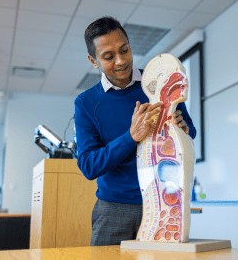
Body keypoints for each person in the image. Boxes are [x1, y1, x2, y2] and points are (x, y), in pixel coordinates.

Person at [74, 16, 196, 246]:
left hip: (165, 203)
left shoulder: (160, 82)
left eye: (125, 50)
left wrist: (183, 129)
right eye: (109, 56)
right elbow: (89, 166)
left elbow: (191, 132)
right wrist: (131, 137)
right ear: (93, 60)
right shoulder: (86, 103)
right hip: (114, 210)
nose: (120, 61)